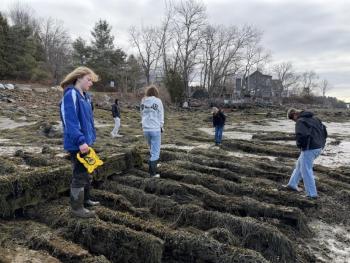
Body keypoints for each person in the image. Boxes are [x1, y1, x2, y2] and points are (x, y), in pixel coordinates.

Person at [60, 66, 101, 218]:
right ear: (78, 78)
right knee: (79, 174)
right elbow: (70, 121)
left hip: (85, 141)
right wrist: (80, 140)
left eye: (91, 80)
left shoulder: (86, 96)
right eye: (88, 79)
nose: (91, 83)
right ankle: (77, 209)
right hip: (77, 143)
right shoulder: (71, 94)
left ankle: (86, 200)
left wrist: (89, 138)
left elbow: (88, 120)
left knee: (87, 171)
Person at [283, 108, 327, 199]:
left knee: (306, 170)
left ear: (295, 114)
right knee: (299, 165)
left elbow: (301, 135)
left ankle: (312, 194)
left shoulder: (300, 121)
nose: (293, 120)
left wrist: (301, 146)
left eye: (292, 118)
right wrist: (321, 143)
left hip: (309, 148)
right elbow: (324, 132)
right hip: (318, 147)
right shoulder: (315, 118)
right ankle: (292, 184)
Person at [140, 85, 164, 178]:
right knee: (156, 151)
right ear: (155, 93)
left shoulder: (143, 101)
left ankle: (154, 164)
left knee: (151, 148)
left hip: (146, 129)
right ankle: (152, 173)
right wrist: (161, 126)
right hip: (155, 128)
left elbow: (141, 113)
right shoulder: (158, 101)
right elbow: (161, 114)